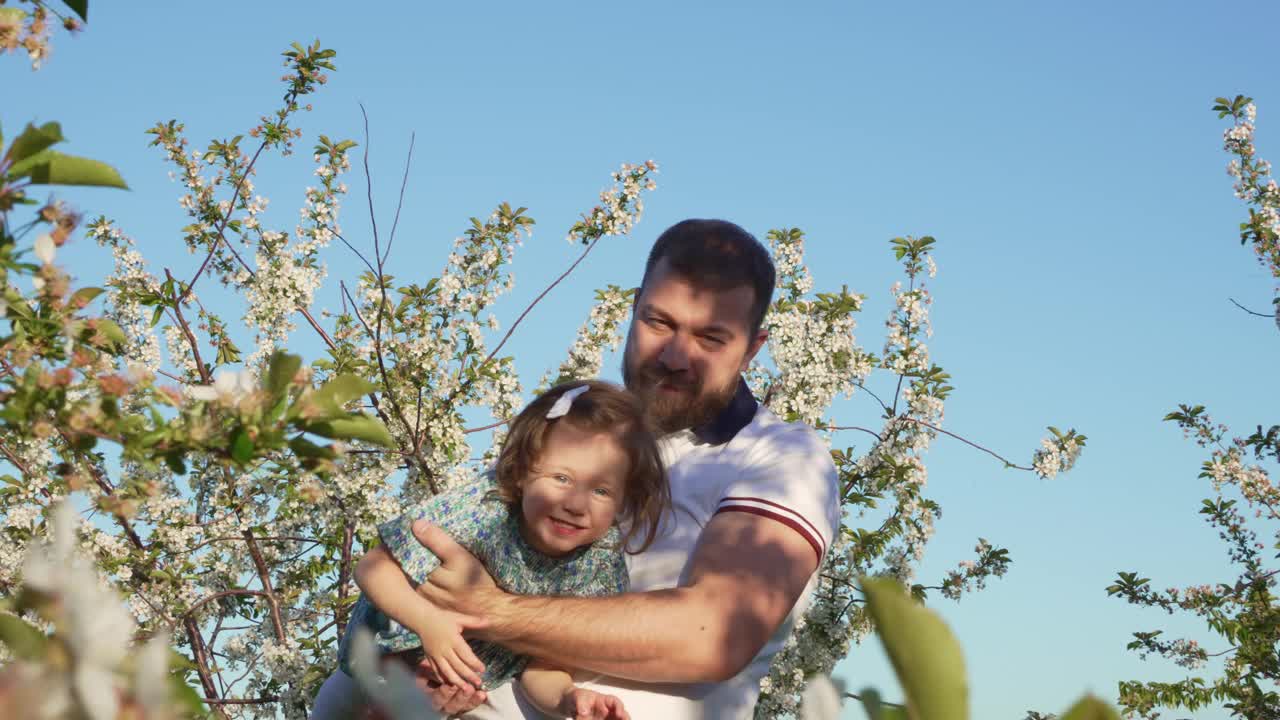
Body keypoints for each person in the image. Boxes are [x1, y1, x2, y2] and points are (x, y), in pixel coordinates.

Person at [407, 219, 841, 719]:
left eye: (711, 338)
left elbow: (713, 632)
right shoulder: (576, 427)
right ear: (633, 308)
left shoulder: (782, 456)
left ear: (752, 350)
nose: (677, 356)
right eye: (659, 323)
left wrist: (490, 611)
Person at [309, 380, 669, 720]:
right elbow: (373, 568)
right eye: (561, 478)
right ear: (523, 471)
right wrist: (428, 623)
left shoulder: (599, 567)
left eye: (602, 491)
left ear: (625, 499)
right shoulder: (484, 510)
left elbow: (543, 665)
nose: (577, 504)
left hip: (450, 695)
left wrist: (569, 699)